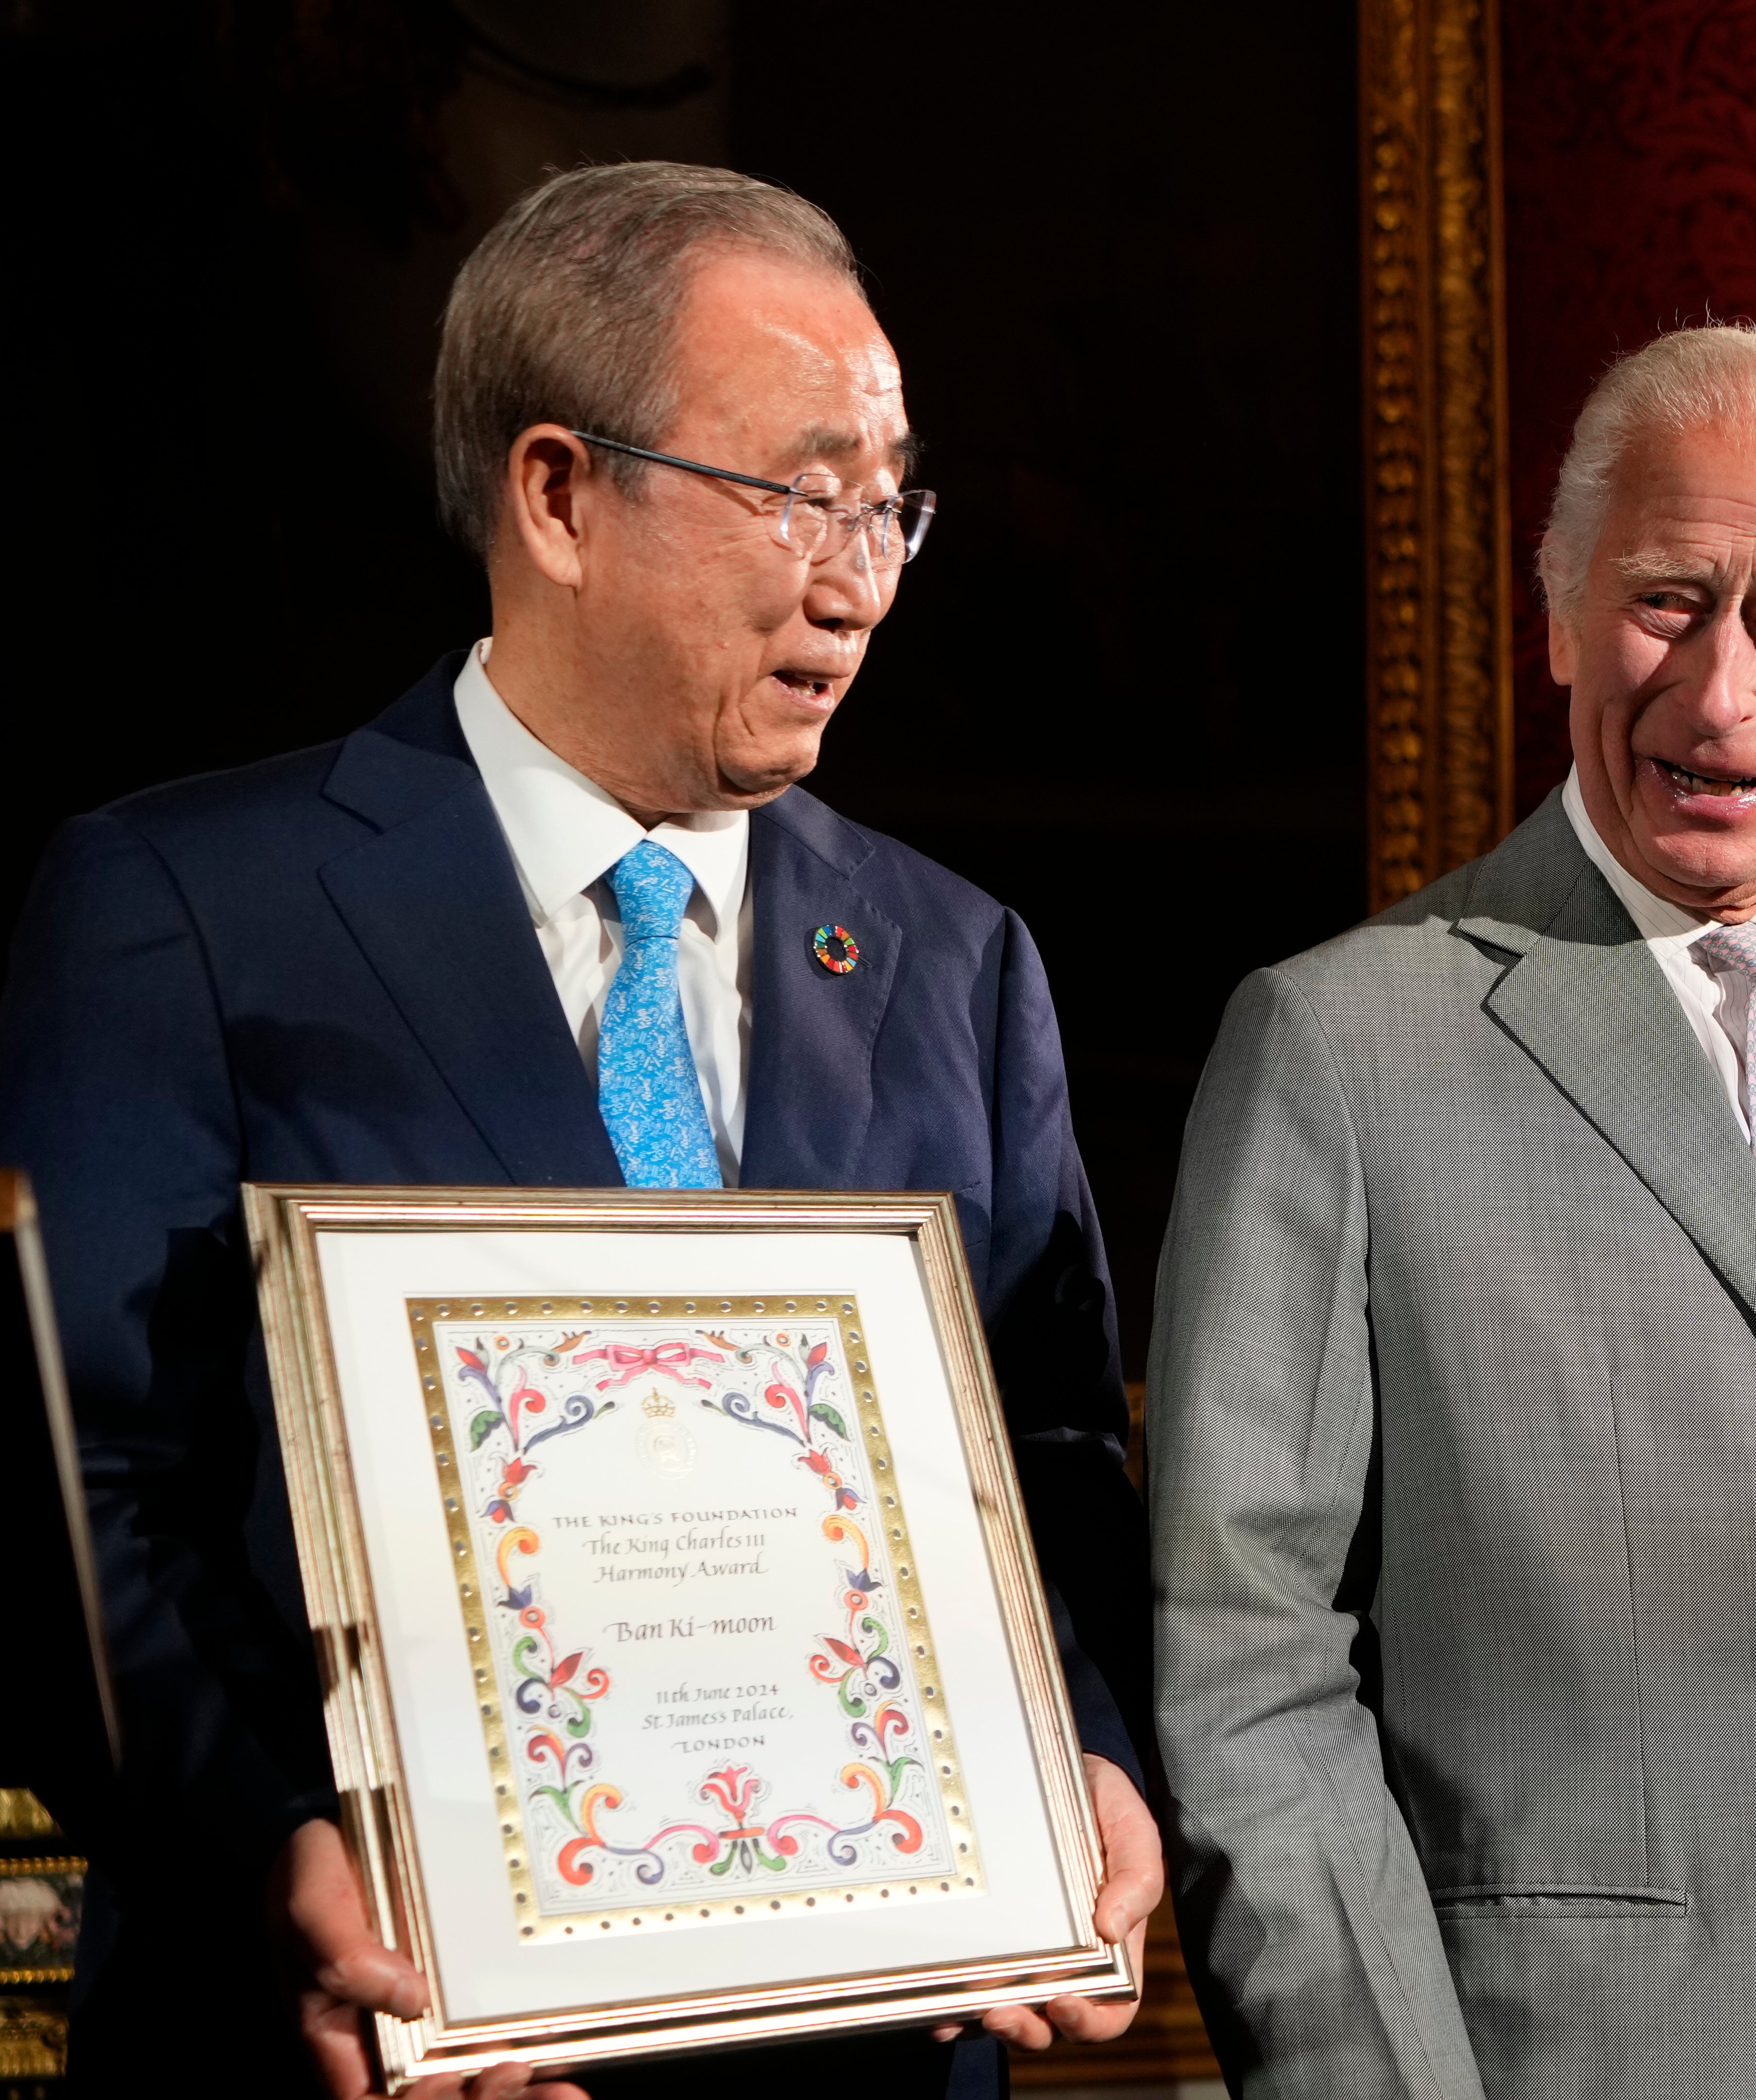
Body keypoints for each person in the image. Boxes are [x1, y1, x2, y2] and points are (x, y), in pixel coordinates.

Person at [0, 163, 1163, 2100]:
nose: (860, 577)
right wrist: (284, 1853)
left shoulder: (957, 965)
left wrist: (1093, 1763)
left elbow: (1051, 1464)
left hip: (870, 2056)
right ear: (557, 493)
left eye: (892, 507)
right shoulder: (185, 913)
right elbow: (73, 1493)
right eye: (803, 493)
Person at [1148, 324, 1756, 2099]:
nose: (1720, 692)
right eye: (1668, 600)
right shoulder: (1340, 1046)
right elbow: (1244, 1666)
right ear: (1563, 609)